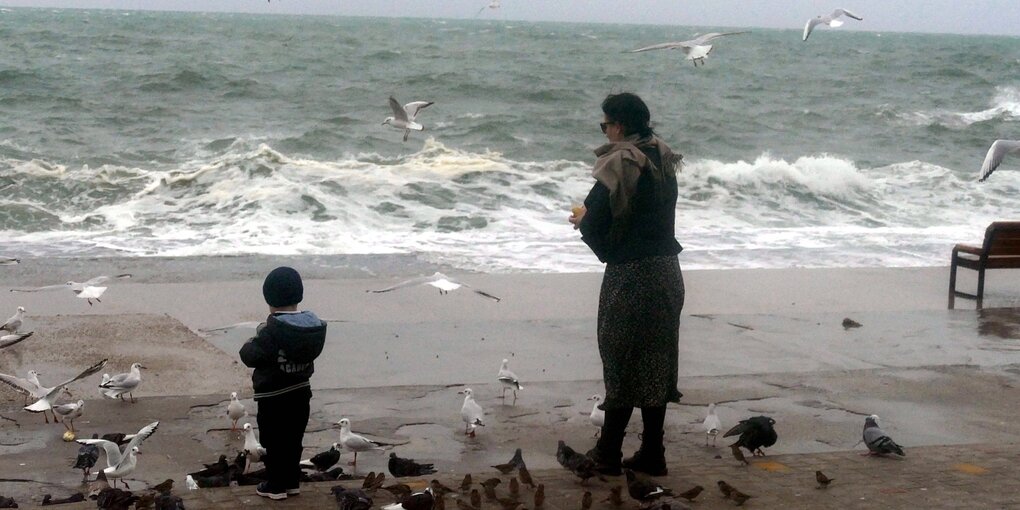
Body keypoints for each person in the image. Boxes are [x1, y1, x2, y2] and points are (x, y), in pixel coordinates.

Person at [569, 92, 684, 477]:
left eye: (605, 125)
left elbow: (595, 216)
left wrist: (583, 223)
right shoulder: (662, 155)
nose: (605, 132)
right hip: (667, 270)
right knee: (655, 363)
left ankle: (607, 453)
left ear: (618, 126)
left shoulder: (621, 161)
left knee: (621, 361)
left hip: (632, 275)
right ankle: (653, 452)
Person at [239, 266, 327, 499]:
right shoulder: (310, 328)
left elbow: (250, 356)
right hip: (301, 392)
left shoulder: (272, 330)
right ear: (298, 295)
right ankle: (291, 481)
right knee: (293, 439)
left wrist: (252, 340)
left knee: (273, 441)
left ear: (269, 299)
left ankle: (276, 486)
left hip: (273, 396)